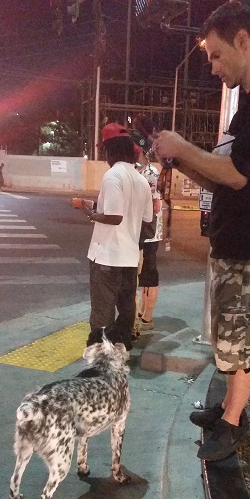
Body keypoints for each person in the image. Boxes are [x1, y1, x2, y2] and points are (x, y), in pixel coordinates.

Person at [155, 0, 250, 461]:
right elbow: (224, 175)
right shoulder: (249, 103)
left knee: (242, 337)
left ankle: (233, 423)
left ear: (242, 40)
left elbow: (238, 173)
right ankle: (228, 409)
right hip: (232, 240)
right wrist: (180, 161)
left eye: (216, 55)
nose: (213, 67)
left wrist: (183, 145)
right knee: (227, 336)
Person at [82, 123, 153, 351]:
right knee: (126, 311)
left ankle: (100, 357)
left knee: (102, 314)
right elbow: (148, 217)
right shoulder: (141, 180)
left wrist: (91, 213)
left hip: (106, 257)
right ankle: (122, 355)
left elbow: (114, 216)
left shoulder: (112, 175)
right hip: (129, 258)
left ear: (110, 151)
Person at [136, 161, 163, 331]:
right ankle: (142, 312)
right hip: (141, 231)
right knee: (143, 273)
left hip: (149, 233)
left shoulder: (150, 172)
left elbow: (155, 204)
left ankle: (147, 317)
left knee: (149, 273)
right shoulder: (138, 169)